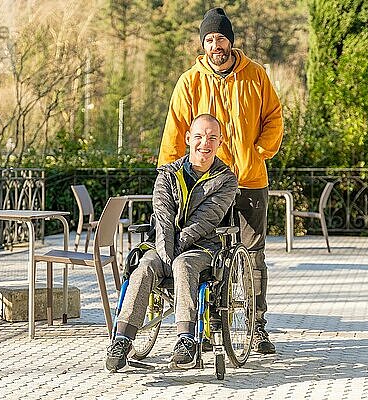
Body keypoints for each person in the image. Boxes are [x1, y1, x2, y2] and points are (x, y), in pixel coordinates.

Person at [158, 7, 283, 354]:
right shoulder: (190, 81)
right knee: (208, 253)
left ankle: (257, 327)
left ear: (231, 41)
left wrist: (260, 150)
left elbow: (274, 117)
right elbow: (175, 130)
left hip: (249, 181)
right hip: (206, 186)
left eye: (221, 38)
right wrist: (169, 179)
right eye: (210, 39)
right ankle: (212, 327)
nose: (216, 45)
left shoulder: (255, 75)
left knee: (253, 255)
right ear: (203, 44)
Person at [106, 114, 238, 372]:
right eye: (199, 136)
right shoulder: (168, 174)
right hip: (163, 244)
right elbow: (163, 215)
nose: (205, 143)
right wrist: (165, 252)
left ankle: (186, 339)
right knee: (144, 267)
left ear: (220, 142)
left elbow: (205, 221)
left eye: (212, 137)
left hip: (202, 247)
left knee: (183, 265)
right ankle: (122, 338)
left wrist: (173, 254)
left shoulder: (226, 180)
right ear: (188, 138)